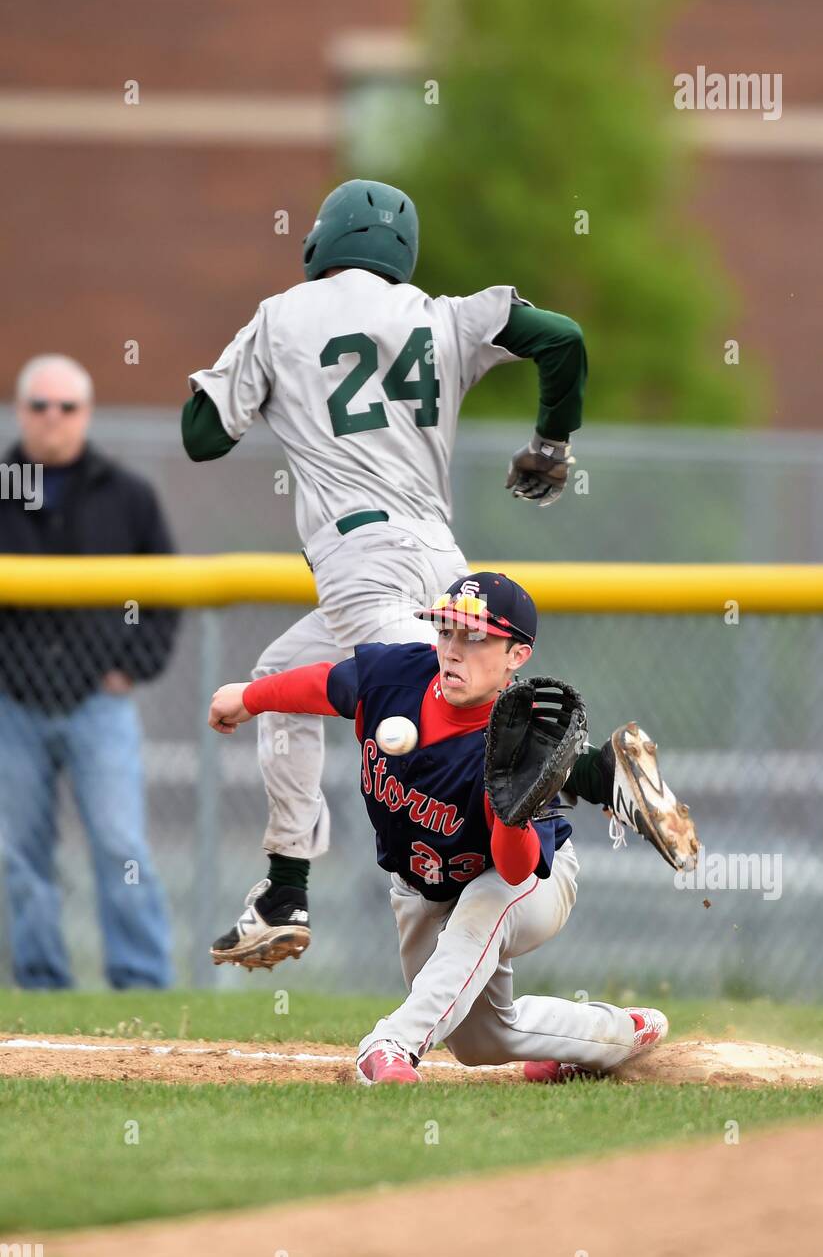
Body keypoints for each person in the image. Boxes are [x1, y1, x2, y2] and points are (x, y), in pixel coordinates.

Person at [182, 178, 588, 970]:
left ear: (320, 244)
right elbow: (561, 336)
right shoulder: (442, 315)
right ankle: (283, 890)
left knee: (460, 705)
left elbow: (202, 437)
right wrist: (550, 444)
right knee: (280, 681)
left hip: (359, 562)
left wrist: (248, 382)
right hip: (436, 555)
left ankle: (598, 770)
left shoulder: (281, 316)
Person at [207, 572, 699, 1084]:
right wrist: (249, 696)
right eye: (447, 631)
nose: (454, 649)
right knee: (481, 1041)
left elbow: (514, 869)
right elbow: (327, 685)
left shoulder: (521, 740)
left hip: (525, 881)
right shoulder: (397, 676)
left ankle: (389, 1044)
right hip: (422, 884)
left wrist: (510, 812)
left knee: (484, 908)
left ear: (516, 655)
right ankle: (617, 1037)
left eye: (476, 636)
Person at [0, 354, 178, 989]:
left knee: (120, 845)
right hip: (11, 702)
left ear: (87, 414)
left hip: (96, 703)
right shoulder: (3, 482)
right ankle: (43, 983)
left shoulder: (125, 493)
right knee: (19, 854)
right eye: (39, 406)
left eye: (67, 407)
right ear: (20, 413)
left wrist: (133, 665)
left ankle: (143, 983)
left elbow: (167, 592)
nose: (53, 419)